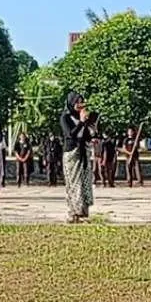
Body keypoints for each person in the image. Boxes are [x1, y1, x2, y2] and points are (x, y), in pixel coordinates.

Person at [59, 92, 99, 223]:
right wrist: (81, 123)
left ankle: (83, 212)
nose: (79, 105)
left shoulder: (83, 117)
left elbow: (86, 135)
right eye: (77, 102)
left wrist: (92, 135)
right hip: (72, 153)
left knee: (85, 182)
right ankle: (74, 212)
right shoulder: (65, 117)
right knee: (74, 183)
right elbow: (70, 134)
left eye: (81, 102)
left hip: (83, 152)